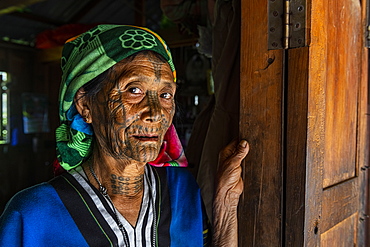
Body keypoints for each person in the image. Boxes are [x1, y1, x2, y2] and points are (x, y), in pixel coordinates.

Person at [0, 24, 249, 246]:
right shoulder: (31, 215)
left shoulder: (183, 191)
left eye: (165, 95)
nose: (155, 113)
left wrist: (226, 206)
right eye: (134, 90)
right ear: (85, 105)